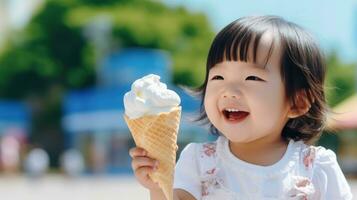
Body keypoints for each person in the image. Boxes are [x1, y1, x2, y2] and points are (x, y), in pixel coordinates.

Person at [129, 15, 353, 199]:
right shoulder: (199, 161)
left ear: (297, 102)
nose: (229, 90)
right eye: (218, 77)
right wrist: (158, 186)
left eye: (252, 78)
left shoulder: (317, 167)